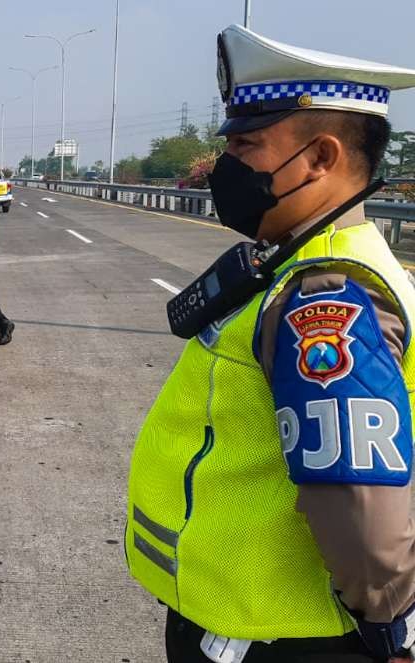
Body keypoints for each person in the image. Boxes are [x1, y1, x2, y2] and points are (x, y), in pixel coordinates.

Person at [125, 25, 415, 662]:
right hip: (252, 625)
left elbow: (356, 498)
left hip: (275, 638)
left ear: (320, 157)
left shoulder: (328, 294)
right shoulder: (299, 262)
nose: (227, 164)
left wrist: (394, 633)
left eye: (247, 144)